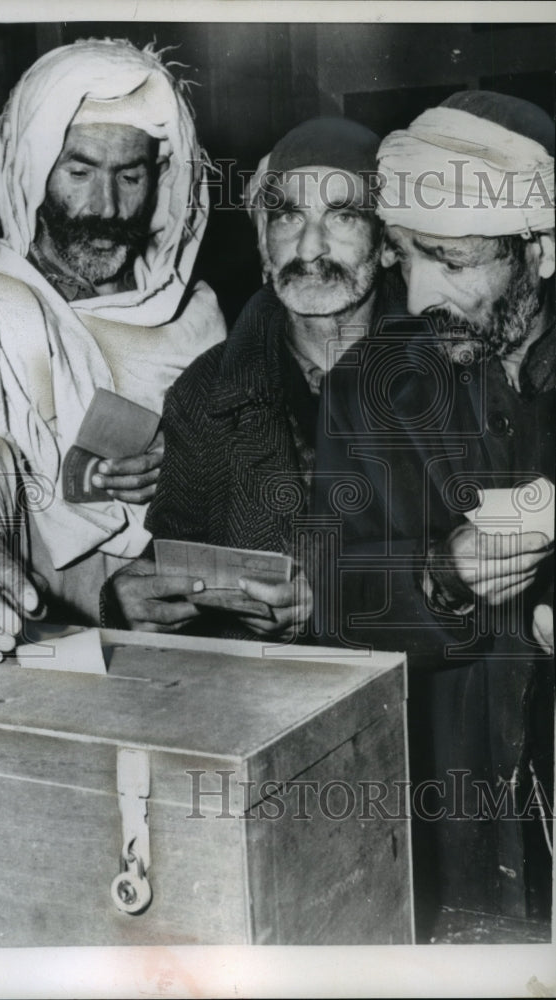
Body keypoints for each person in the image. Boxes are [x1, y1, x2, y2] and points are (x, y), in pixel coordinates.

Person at [315, 91, 554, 932]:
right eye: (405, 255)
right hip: (449, 827)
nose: (418, 295)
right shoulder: (366, 387)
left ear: (541, 252)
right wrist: (440, 578)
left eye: (451, 260)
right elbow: (330, 600)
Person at [0, 38, 226, 662]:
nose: (107, 208)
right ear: (32, 172)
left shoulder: (197, 317)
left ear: (161, 179)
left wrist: (190, 461)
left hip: (194, 641)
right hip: (30, 643)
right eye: (81, 172)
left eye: (129, 176)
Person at [100, 116, 405, 639]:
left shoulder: (453, 380)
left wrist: (334, 596)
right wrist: (127, 603)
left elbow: (478, 572)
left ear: (388, 243)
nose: (309, 249)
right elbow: (179, 553)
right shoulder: (206, 390)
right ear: (264, 244)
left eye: (343, 215)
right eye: (287, 216)